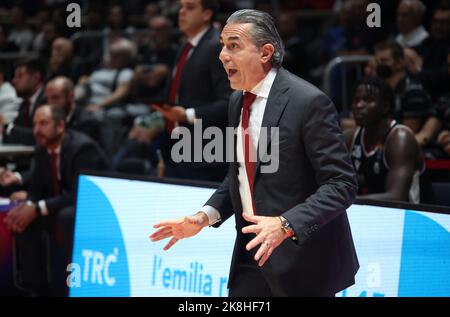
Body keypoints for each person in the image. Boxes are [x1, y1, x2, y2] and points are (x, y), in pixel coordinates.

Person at [150, 9, 359, 297]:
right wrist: (203, 217)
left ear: (265, 53)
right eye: (222, 45)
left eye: (233, 45)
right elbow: (240, 175)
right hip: (252, 257)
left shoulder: (309, 102)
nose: (223, 54)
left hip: (303, 262)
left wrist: (285, 225)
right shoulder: (237, 100)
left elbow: (342, 185)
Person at [3, 104, 109, 296]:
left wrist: (37, 207)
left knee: (65, 216)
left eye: (43, 123)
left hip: (95, 208)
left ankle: (71, 288)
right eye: (35, 124)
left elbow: (80, 195)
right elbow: (36, 189)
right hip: (61, 205)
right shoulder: (43, 148)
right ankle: (36, 289)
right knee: (23, 219)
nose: (36, 130)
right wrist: (28, 206)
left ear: (60, 126)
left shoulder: (83, 148)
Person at [152, 0, 232, 182]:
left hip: (204, 152)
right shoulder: (186, 46)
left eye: (189, 7)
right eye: (180, 7)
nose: (181, 12)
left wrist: (187, 115)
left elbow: (230, 101)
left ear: (206, 14)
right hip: (177, 144)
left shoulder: (217, 46)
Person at [345, 76, 430, 203]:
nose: (359, 105)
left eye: (367, 100)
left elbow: (396, 197)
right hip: (371, 214)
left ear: (385, 106)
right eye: (356, 100)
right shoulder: (350, 137)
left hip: (413, 218)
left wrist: (343, 201)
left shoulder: (401, 139)